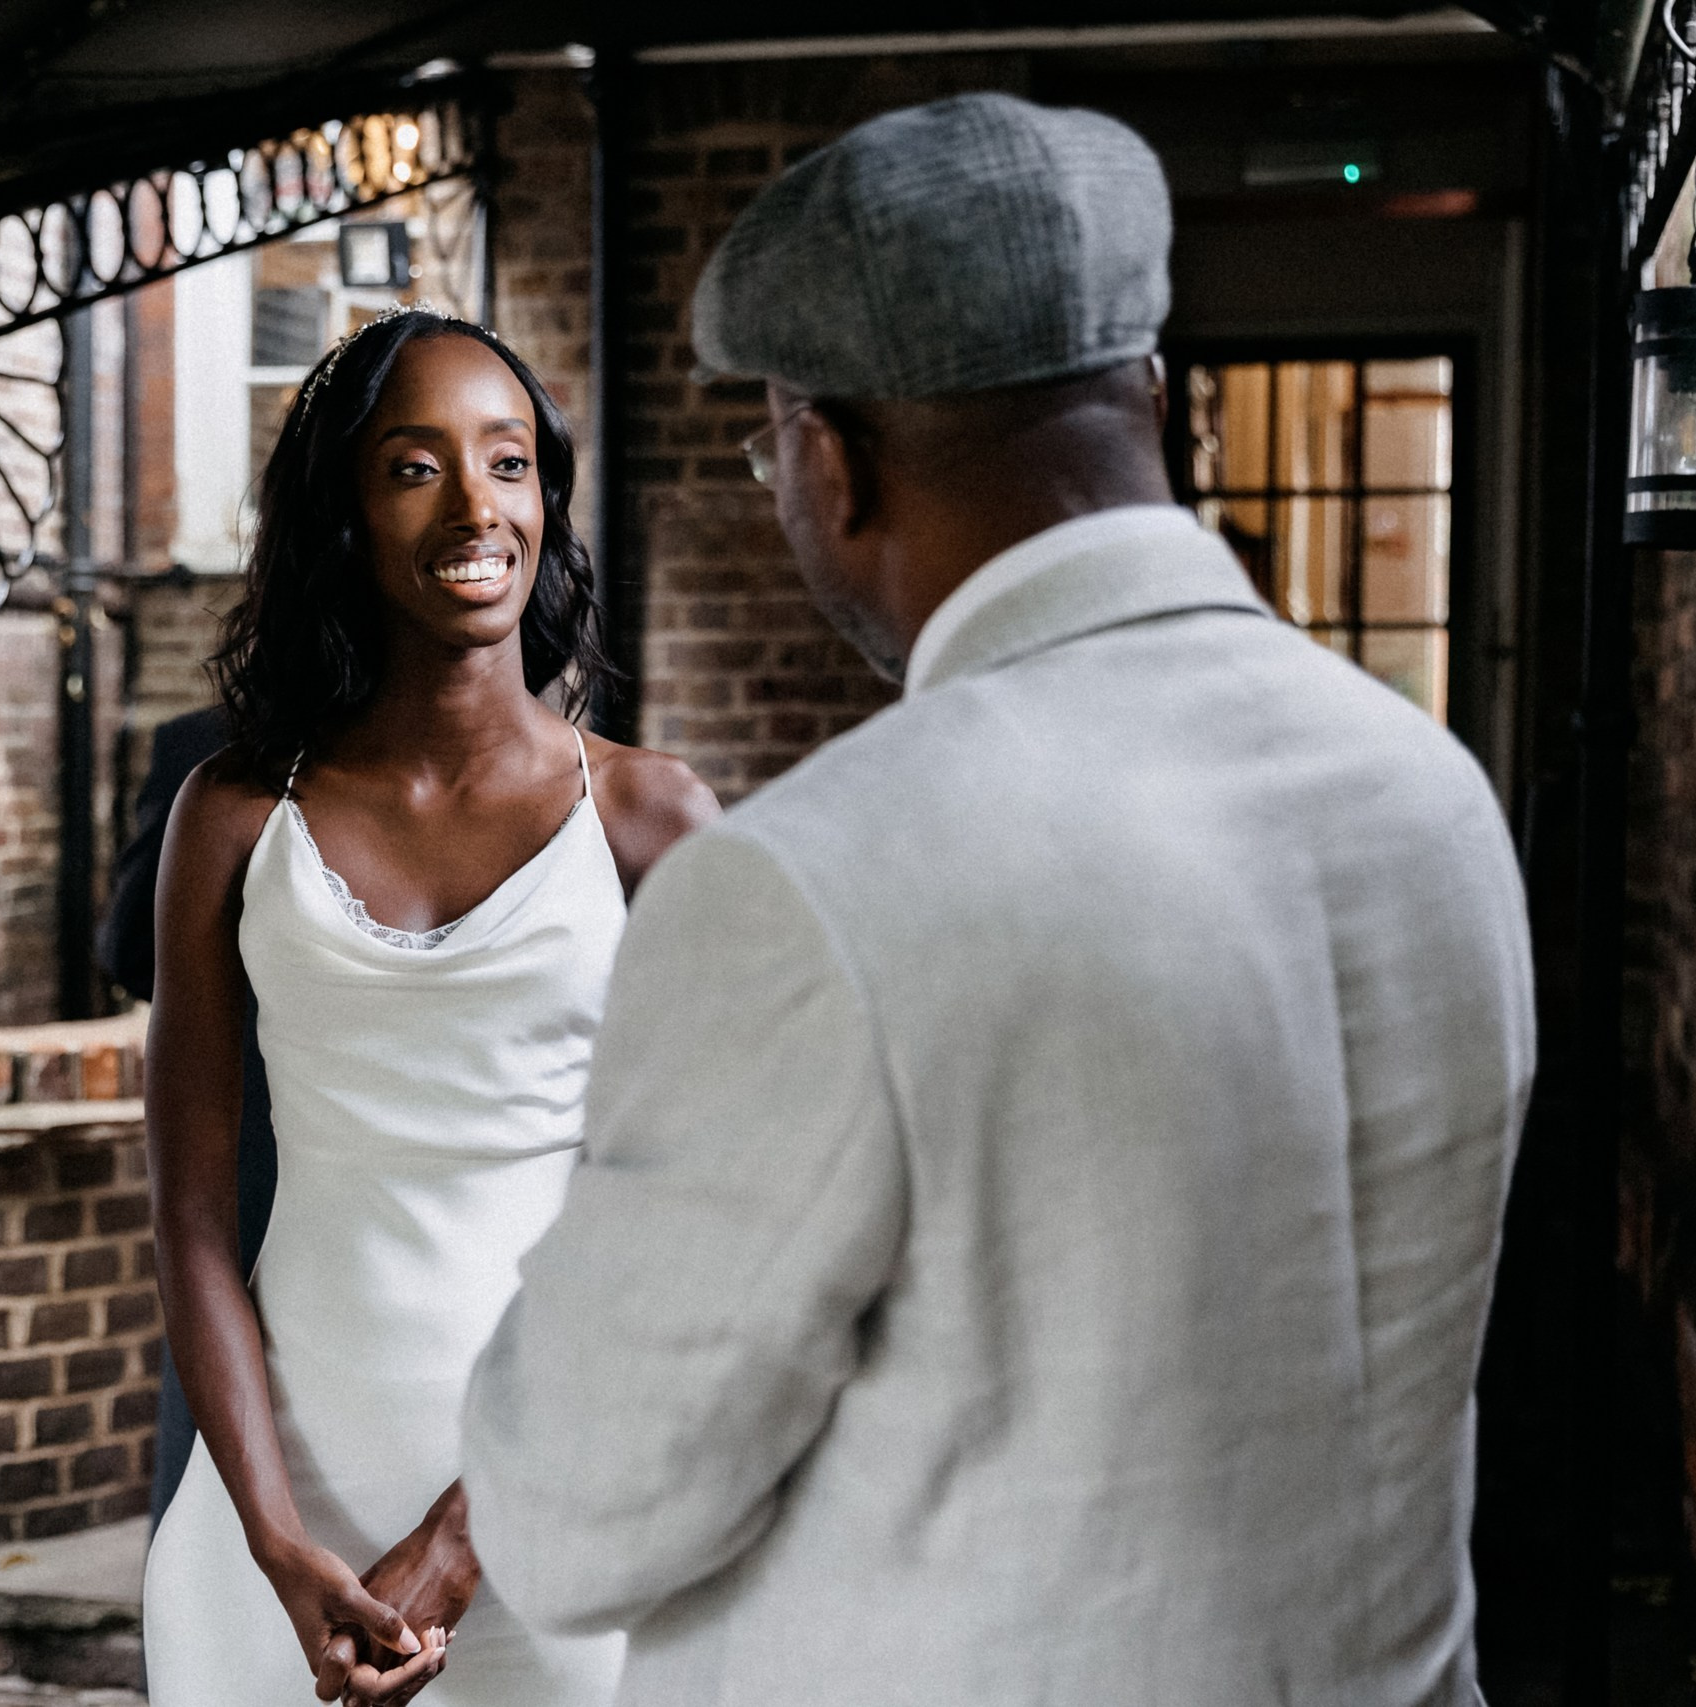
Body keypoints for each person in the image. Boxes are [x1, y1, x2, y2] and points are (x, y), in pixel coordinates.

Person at [460, 92, 1536, 1706]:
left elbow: (576, 1517)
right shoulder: (1429, 793)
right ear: (1150, 395)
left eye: (771, 447)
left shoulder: (815, 880)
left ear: (827, 458)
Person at [140, 305, 718, 1707]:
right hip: (270, 1526)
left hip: (561, 1505)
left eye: (508, 461)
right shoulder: (230, 818)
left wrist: (465, 1540)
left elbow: (706, 1227)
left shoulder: (652, 819)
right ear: (343, 510)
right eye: (415, 465)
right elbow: (194, 1216)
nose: (476, 503)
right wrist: (278, 1545)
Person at [92, 703, 276, 1530]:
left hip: (246, 1167)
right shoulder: (210, 767)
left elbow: (128, 951)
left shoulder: (213, 737)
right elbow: (137, 949)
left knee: (210, 1487)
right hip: (238, 1179)